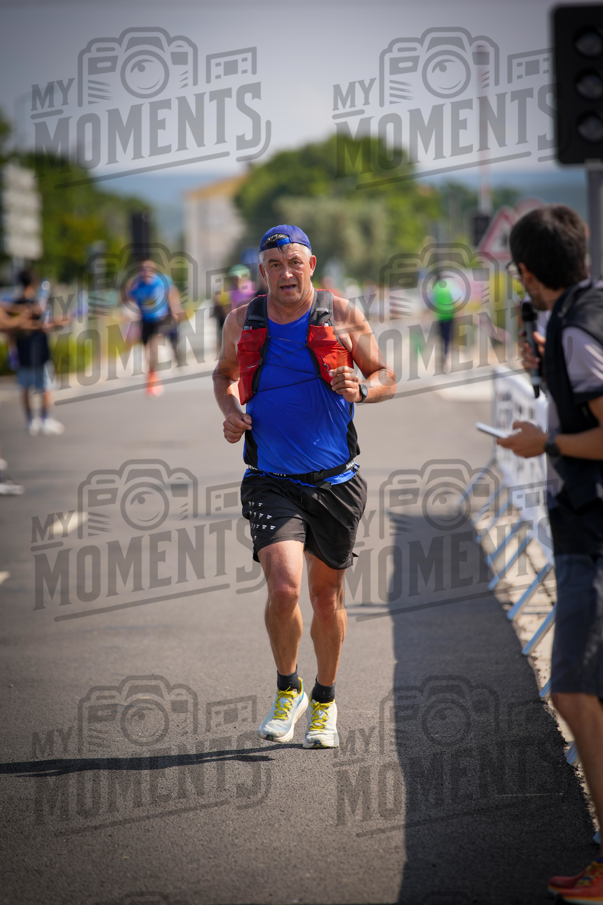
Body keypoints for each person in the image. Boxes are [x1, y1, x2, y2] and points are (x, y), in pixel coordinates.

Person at [213, 225, 396, 748]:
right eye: (274, 264)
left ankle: (324, 700)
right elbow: (222, 375)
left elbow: (386, 375)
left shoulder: (341, 315)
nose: (285, 273)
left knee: (325, 594)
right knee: (284, 588)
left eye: (294, 262)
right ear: (262, 271)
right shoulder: (241, 321)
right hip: (270, 480)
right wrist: (231, 412)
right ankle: (287, 687)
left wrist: (364, 387)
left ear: (310, 264)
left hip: (336, 482)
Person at [498, 205, 603, 902]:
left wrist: (548, 443)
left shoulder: (575, 325)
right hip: (581, 524)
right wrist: (544, 375)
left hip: (589, 528)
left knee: (571, 686)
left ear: (526, 271)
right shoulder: (575, 315)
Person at [8, 269, 66, 436]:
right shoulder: (38, 303)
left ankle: (30, 421)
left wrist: (12, 350)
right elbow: (47, 325)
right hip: (40, 350)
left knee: (25, 386)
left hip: (22, 350)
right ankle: (45, 419)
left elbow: (10, 330)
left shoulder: (15, 304)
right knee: (46, 385)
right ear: (33, 282)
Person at [121, 259, 184, 396]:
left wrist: (175, 307)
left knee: (155, 344)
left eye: (148, 270)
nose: (146, 273)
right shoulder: (137, 285)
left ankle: (165, 366)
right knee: (147, 349)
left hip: (162, 319)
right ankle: (153, 375)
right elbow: (126, 298)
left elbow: (172, 293)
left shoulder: (162, 281)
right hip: (146, 320)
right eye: (143, 271)